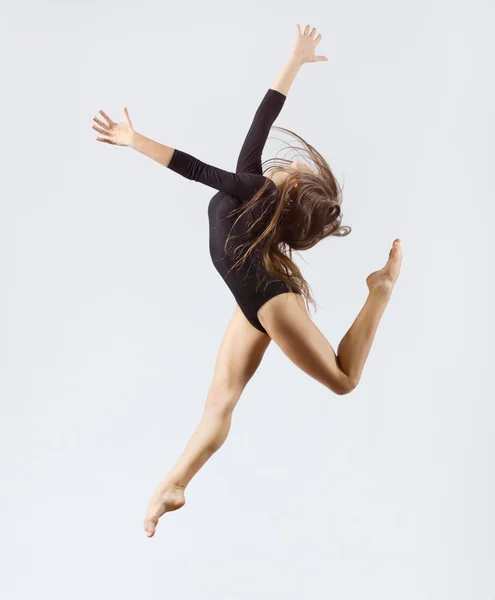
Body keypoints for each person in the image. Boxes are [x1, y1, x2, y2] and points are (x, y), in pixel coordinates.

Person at [92, 24, 402, 538]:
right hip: (249, 295)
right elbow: (266, 113)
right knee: (219, 402)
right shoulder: (255, 182)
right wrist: (295, 61)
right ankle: (172, 485)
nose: (297, 162)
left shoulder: (250, 185)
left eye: (300, 170)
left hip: (267, 302)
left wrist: (132, 139)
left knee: (345, 379)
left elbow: (190, 167)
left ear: (287, 192)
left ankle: (380, 292)